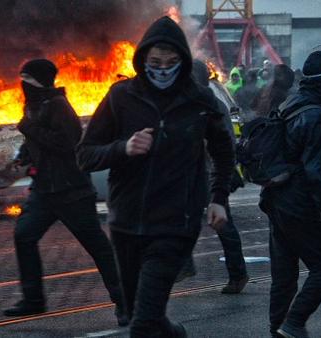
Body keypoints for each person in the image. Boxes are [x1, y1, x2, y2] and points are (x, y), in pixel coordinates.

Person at [77, 17, 234, 337]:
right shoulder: (121, 97)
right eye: (155, 62)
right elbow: (85, 154)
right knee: (143, 316)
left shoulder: (200, 100)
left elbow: (224, 150)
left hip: (176, 224)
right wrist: (124, 148)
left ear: (183, 61)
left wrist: (219, 199)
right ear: (143, 60)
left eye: (171, 62)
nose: (163, 69)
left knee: (143, 323)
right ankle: (174, 333)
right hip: (126, 224)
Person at [4, 59, 127, 327]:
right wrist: (24, 155)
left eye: (29, 80)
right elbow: (36, 142)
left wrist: (30, 129)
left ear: (40, 82)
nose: (24, 86)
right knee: (24, 235)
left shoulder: (59, 106)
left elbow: (68, 143)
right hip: (44, 190)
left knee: (98, 247)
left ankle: (125, 301)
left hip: (71, 190)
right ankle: (33, 299)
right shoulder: (34, 106)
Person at [259, 50, 321, 338]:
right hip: (298, 204)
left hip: (275, 200)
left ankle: (277, 330)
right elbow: (318, 174)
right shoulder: (317, 116)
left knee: (284, 277)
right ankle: (293, 323)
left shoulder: (290, 103)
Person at [181, 60, 249, 294]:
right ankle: (184, 266)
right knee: (184, 220)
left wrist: (220, 176)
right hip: (193, 173)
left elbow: (225, 143)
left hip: (211, 175)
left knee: (221, 224)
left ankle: (238, 274)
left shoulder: (211, 104)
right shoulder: (192, 101)